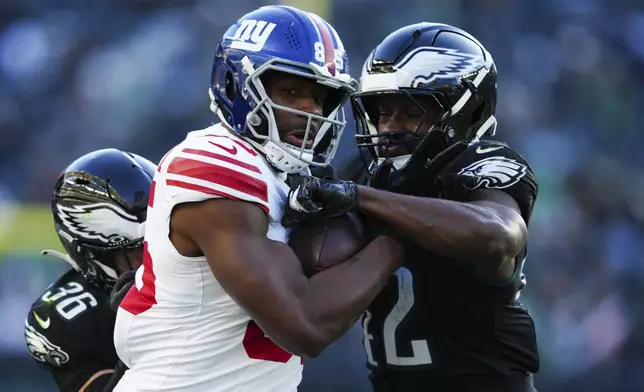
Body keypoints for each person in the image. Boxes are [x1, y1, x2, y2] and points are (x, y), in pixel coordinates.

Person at [112, 5, 404, 392]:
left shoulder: (285, 174)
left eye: (321, 98)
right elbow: (305, 326)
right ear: (238, 86)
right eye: (292, 91)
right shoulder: (215, 162)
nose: (310, 111)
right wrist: (398, 240)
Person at [284, 22, 540, 392]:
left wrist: (361, 198)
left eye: (410, 112)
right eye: (382, 113)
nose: (389, 128)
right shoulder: (365, 172)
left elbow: (498, 235)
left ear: (465, 110)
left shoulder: (483, 163)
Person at [24, 148, 155, 392]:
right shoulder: (65, 321)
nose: (160, 258)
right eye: (139, 252)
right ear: (94, 254)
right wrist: (144, 328)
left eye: (166, 241)